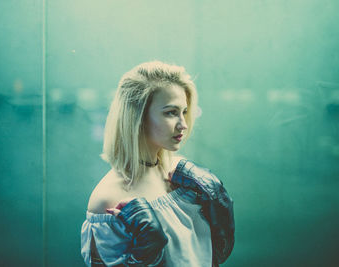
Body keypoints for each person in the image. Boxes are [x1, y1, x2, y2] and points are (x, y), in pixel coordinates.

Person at [81, 61, 235, 267]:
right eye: (171, 112)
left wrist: (220, 209)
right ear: (137, 116)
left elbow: (209, 257)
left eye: (184, 111)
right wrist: (145, 255)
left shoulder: (184, 177)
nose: (183, 124)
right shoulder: (108, 199)